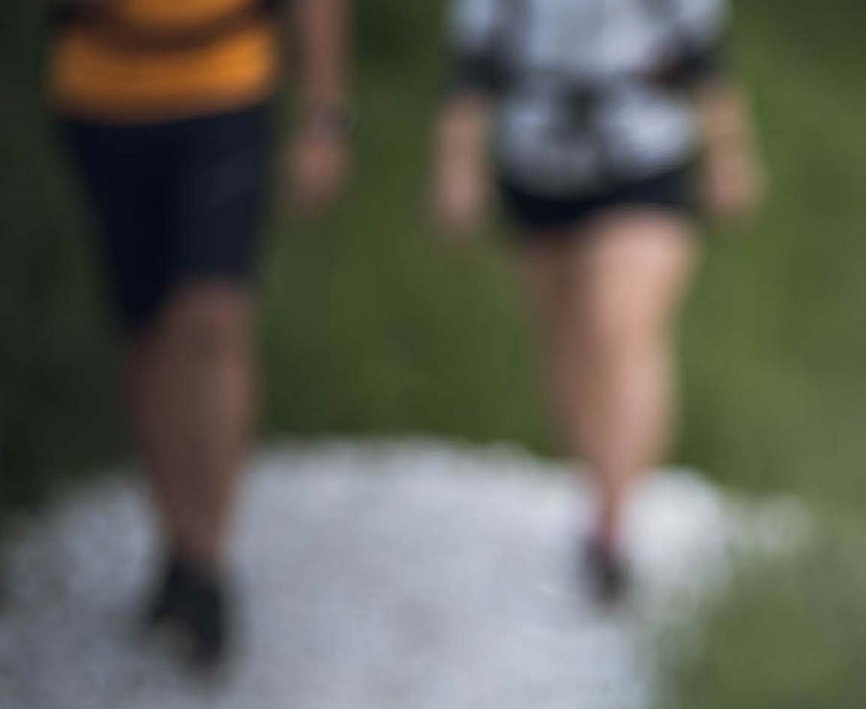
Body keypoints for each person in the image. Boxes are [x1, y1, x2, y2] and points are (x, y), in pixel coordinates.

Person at [51, 0, 352, 668]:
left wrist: (325, 112)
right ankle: (176, 536)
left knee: (214, 317)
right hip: (102, 85)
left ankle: (209, 557)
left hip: (226, 78)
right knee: (144, 326)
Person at [431, 0, 762, 604]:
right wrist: (457, 163)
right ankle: (595, 486)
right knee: (564, 339)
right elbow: (475, 64)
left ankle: (614, 523)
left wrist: (730, 153)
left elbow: (703, 57)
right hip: (537, 160)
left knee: (621, 330)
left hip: (645, 157)